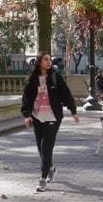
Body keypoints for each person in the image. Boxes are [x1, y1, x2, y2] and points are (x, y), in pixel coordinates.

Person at [20, 53, 79, 192]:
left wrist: (73, 111)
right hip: (37, 117)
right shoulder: (32, 79)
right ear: (39, 62)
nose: (49, 62)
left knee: (46, 148)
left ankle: (42, 179)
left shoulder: (55, 77)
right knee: (41, 149)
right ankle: (51, 168)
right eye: (45, 59)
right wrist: (27, 115)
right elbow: (26, 99)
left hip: (53, 118)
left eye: (50, 59)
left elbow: (66, 94)